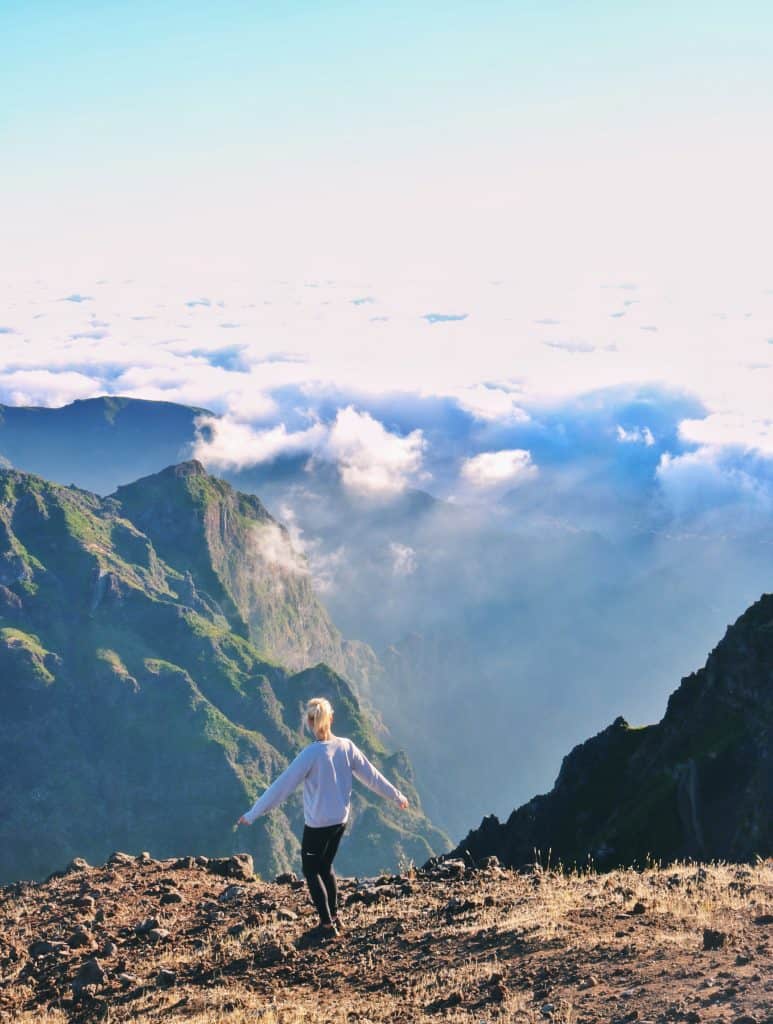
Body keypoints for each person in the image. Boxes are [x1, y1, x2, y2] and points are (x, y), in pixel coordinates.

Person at [236, 696, 409, 938]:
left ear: (309, 722)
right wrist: (397, 795)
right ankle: (335, 917)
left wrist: (253, 813)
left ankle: (327, 925)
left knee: (310, 870)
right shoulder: (346, 747)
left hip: (318, 824)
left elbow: (281, 787)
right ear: (331, 719)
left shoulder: (310, 754)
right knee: (325, 866)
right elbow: (372, 776)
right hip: (340, 820)